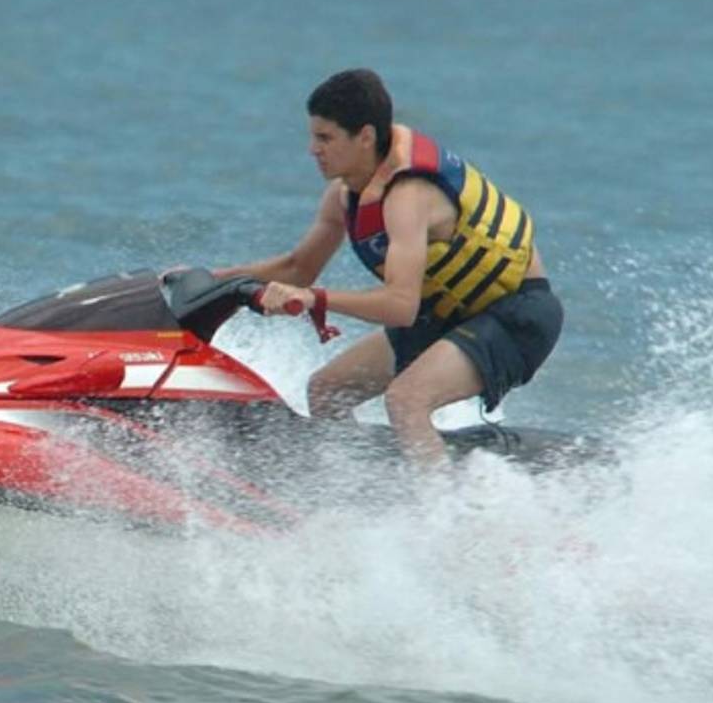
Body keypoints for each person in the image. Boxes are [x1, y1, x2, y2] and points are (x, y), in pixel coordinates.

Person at [214, 68, 563, 470]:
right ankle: (357, 489)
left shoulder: (408, 195)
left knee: (406, 399)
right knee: (328, 390)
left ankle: (444, 520)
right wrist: (216, 280)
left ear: (365, 136)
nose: (312, 149)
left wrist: (315, 299)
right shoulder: (344, 195)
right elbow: (299, 267)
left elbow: (401, 306)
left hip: (516, 314)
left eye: (325, 138)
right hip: (450, 311)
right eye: (312, 136)